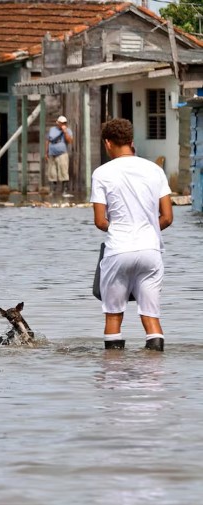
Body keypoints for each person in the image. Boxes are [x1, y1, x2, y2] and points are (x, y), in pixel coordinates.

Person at [90, 118, 173, 351]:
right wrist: (146, 228)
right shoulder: (155, 170)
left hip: (118, 251)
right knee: (151, 317)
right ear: (131, 141)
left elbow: (100, 221)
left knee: (114, 316)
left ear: (108, 143)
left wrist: (120, 229)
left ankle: (113, 368)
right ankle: (154, 370)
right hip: (150, 251)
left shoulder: (101, 173)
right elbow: (167, 217)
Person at [45, 115, 74, 197]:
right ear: (58, 123)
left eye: (64, 123)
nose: (63, 124)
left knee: (63, 172)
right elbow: (47, 141)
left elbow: (70, 141)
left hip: (62, 154)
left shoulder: (68, 130)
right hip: (52, 153)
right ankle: (52, 191)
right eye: (61, 123)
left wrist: (65, 132)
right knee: (52, 172)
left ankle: (64, 191)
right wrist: (46, 152)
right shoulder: (52, 130)